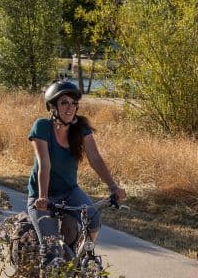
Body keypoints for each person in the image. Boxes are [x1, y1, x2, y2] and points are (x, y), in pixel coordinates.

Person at [27, 80, 125, 264]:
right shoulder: (41, 126)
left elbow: (95, 158)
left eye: (74, 103)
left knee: (93, 220)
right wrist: (42, 197)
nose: (70, 107)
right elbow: (44, 163)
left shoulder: (80, 129)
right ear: (52, 107)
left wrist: (113, 187)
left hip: (69, 191)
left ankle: (78, 260)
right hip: (42, 196)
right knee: (51, 249)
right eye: (64, 102)